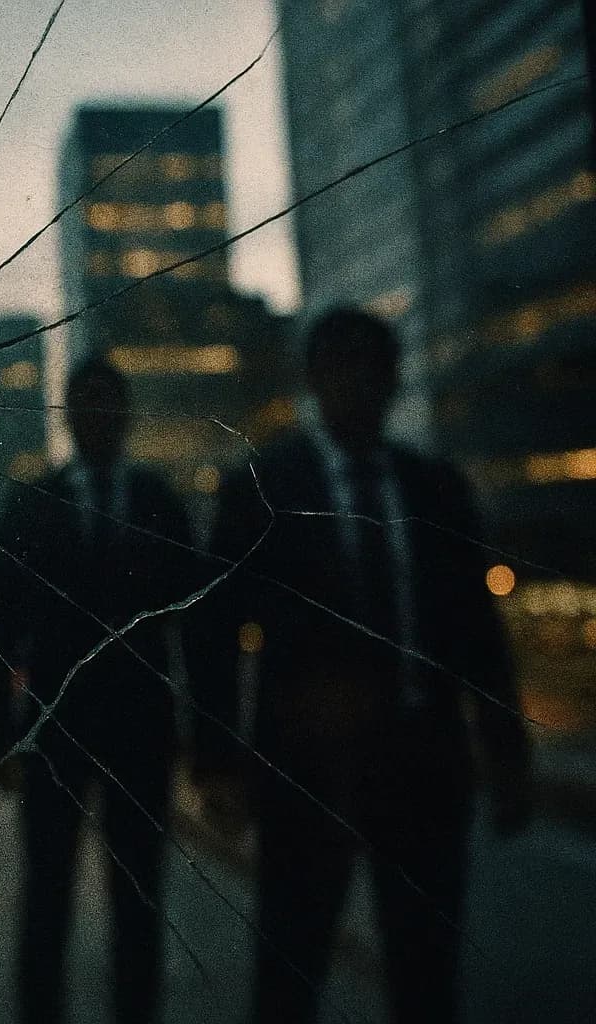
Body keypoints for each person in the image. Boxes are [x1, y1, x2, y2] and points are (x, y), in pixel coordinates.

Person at [188, 308, 531, 1024]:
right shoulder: (265, 485)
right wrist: (217, 760)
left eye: (373, 366)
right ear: (314, 380)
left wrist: (505, 751)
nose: (359, 382)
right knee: (290, 970)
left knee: (426, 973)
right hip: (308, 773)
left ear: (394, 379)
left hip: (424, 767)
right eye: (341, 366)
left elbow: (476, 633)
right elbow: (213, 630)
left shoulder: (434, 487)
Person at [0, 358, 195, 1024]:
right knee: (47, 894)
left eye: (109, 403)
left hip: (142, 728)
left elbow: (199, 618)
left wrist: (210, 736)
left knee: (140, 896)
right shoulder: (28, 503)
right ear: (67, 416)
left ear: (126, 414)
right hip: (53, 727)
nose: (97, 415)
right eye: (85, 403)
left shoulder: (159, 500)